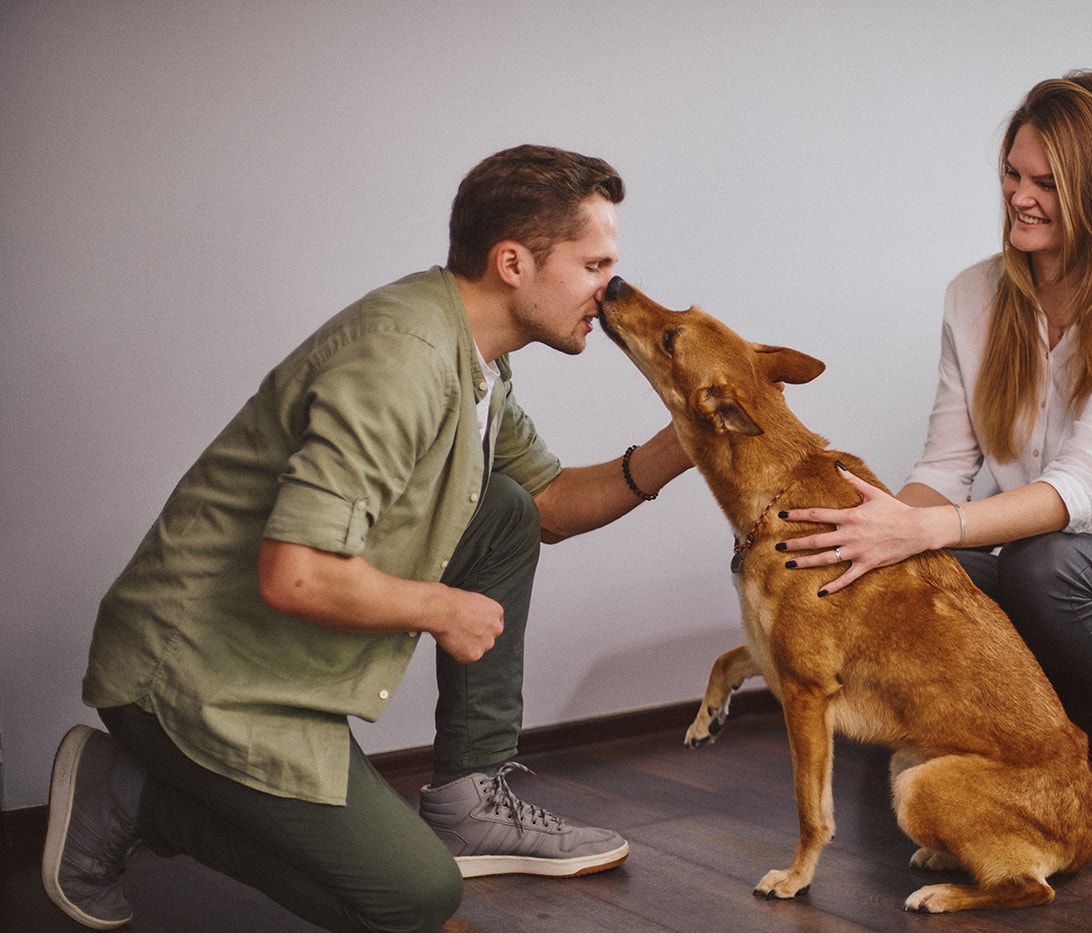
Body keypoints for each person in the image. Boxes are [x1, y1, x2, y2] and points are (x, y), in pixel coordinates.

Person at [44, 144, 692, 932]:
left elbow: (551, 502)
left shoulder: (476, 358)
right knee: (411, 896)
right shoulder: (404, 358)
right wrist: (441, 607)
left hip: (272, 663)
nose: (611, 288)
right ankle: (133, 796)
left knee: (506, 507)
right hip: (193, 678)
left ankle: (466, 797)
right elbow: (296, 576)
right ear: (514, 262)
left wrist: (689, 437)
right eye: (595, 265)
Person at [775, 71, 1092, 838]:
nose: (1019, 196)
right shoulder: (972, 295)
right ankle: (1014, 738)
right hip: (1063, 581)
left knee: (1039, 558)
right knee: (919, 564)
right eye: (1012, 174)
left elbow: (1079, 491)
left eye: (1048, 183)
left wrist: (926, 529)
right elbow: (942, 468)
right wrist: (871, 530)